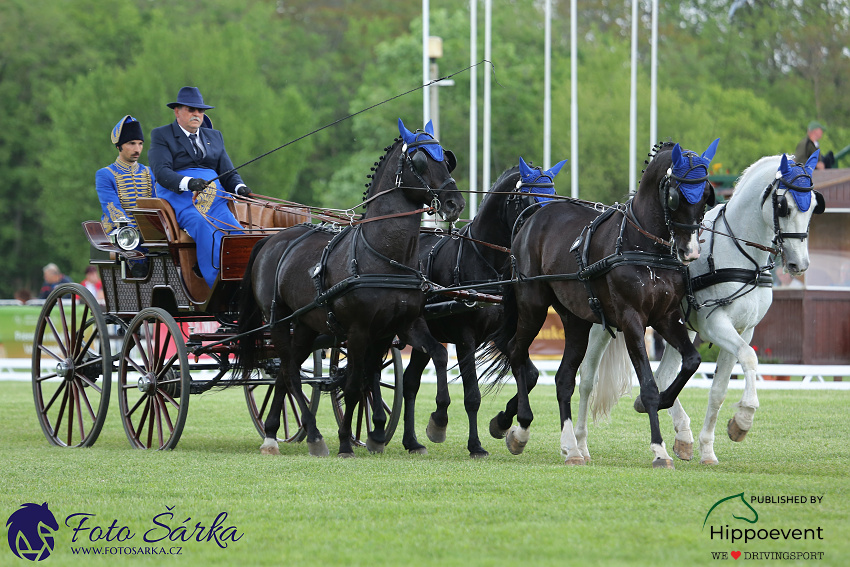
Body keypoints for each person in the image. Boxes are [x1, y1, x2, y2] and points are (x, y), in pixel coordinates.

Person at [148, 86, 250, 288]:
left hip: (216, 202)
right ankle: (219, 283)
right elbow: (162, 172)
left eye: (200, 111)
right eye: (191, 109)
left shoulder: (215, 137)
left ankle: (245, 281)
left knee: (237, 234)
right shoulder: (162, 135)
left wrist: (240, 188)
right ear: (177, 112)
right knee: (204, 228)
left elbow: (228, 172)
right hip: (184, 202)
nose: (197, 114)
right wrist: (189, 183)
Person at [96, 115, 155, 277]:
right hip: (120, 232)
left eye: (140, 144)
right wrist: (132, 231)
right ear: (119, 146)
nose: (137, 149)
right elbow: (111, 207)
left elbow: (158, 203)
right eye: (131, 143)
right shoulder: (105, 174)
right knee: (131, 241)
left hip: (149, 231)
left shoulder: (149, 172)